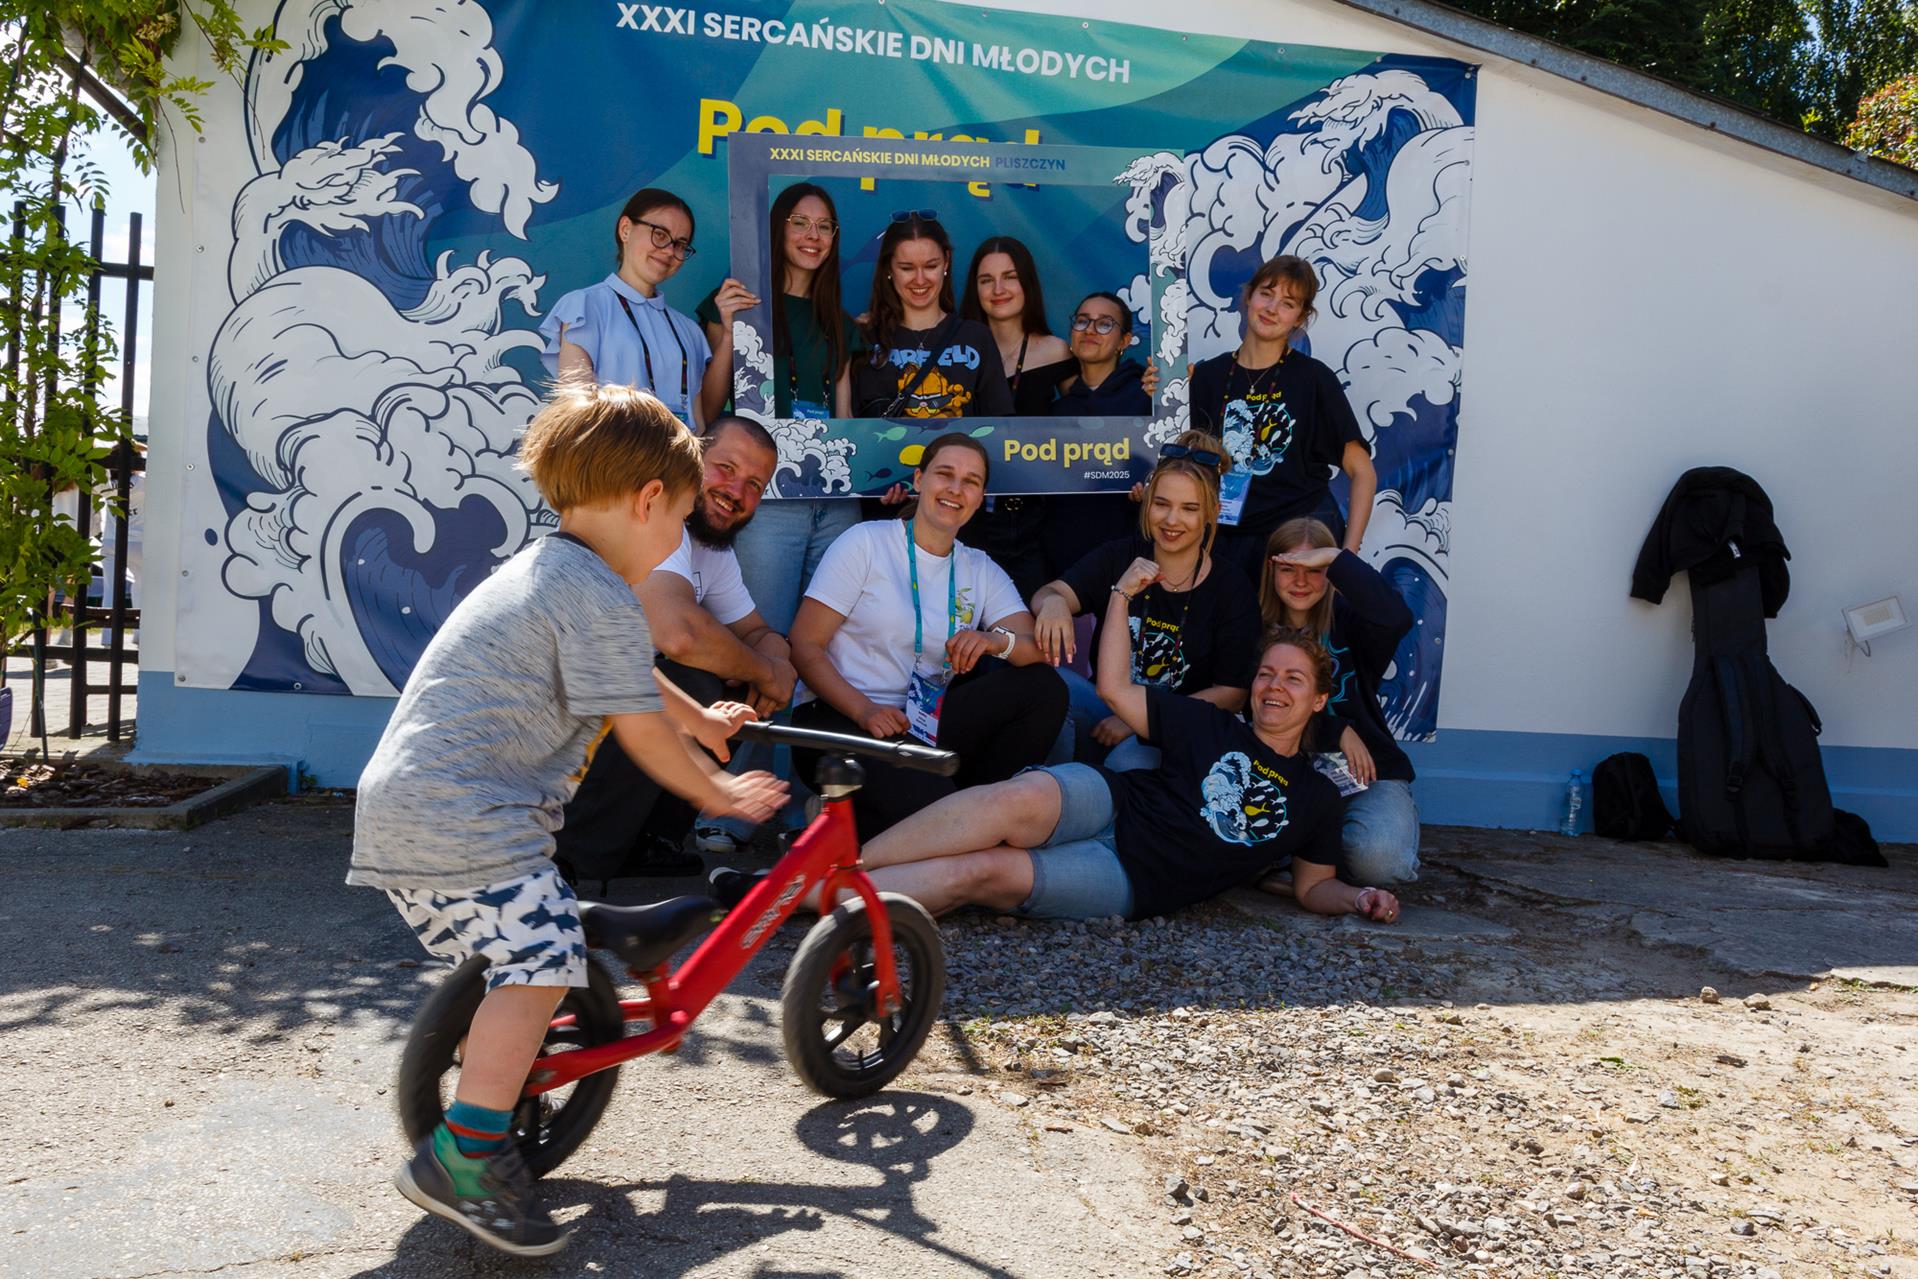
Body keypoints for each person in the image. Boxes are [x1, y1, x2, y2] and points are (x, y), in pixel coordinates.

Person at [349, 382, 785, 1256]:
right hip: (466, 813)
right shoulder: (595, 592)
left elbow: (634, 679)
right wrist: (716, 790)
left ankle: (493, 1081)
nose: (677, 537)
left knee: (526, 955)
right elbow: (638, 729)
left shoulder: (557, 573)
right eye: (681, 519)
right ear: (650, 500)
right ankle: (466, 1153)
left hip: (413, 807)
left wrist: (702, 720)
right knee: (543, 957)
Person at [843, 599, 1403, 925]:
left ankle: (823, 902)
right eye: (1266, 674)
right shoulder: (1208, 721)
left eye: (1293, 679)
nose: (1274, 686)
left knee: (983, 870)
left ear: (1319, 700)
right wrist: (1120, 596)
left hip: (1133, 877)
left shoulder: (1316, 797)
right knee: (1014, 798)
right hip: (1115, 803)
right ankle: (842, 866)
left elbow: (1312, 887)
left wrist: (1359, 898)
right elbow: (1112, 689)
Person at [553, 416, 797, 884]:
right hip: (549, 727)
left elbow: (754, 632)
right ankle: (570, 858)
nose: (735, 491)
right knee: (698, 679)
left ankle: (642, 842)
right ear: (690, 461)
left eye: (754, 485)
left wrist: (775, 659)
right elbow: (678, 636)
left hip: (604, 698)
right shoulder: (661, 523)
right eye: (726, 468)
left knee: (726, 688)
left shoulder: (713, 550)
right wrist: (768, 672)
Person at [788, 433, 1066, 839]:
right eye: (945, 474)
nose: (956, 489)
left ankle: (971, 807)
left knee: (1043, 688)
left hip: (920, 724)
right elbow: (804, 645)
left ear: (980, 497)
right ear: (919, 480)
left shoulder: (980, 568)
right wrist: (865, 710)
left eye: (970, 481)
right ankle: (930, 821)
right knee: (939, 816)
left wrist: (995, 642)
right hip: (840, 719)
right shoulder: (866, 542)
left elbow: (1036, 652)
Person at [1030, 430, 1257, 770]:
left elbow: (1232, 693)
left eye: (1189, 508)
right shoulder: (1121, 556)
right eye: (1162, 504)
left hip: (1174, 725)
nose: (1171, 520)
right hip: (1105, 704)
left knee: (1129, 763)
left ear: (1212, 512)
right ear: (1148, 503)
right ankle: (1047, 784)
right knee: (1044, 684)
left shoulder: (1231, 586)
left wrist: (1139, 716)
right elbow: (1049, 593)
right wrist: (1053, 603)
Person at [1188, 254, 1376, 579]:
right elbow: (1178, 464)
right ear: (1248, 297)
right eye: (1266, 293)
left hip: (1297, 538)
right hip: (1225, 538)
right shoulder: (1206, 377)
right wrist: (1161, 391)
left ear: (1300, 317)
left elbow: (1363, 472)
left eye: (1288, 303)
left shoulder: (1314, 379)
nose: (1272, 309)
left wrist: (1347, 558)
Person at [1260, 516, 1420, 885]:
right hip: (1285, 776)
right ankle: (1310, 870)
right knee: (1237, 839)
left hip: (1365, 774)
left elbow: (1396, 618)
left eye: (1314, 569)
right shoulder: (1250, 628)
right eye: (1288, 568)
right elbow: (1254, 714)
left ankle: (1303, 869)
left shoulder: (1354, 622)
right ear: (1270, 570)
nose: (1300, 581)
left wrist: (1337, 557)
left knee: (1380, 862)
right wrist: (1337, 730)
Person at [541, 188, 712, 428]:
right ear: (625, 229)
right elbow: (575, 410)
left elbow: (698, 424)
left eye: (680, 244)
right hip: (609, 451)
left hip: (680, 452)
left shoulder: (689, 330)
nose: (669, 251)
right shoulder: (585, 306)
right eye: (660, 235)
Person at [851, 213, 1013, 421]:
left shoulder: (977, 337)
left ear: (946, 262)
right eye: (907, 268)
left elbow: (1000, 427)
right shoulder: (863, 339)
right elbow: (847, 426)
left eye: (930, 266)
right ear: (889, 268)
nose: (920, 280)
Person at [1040, 291, 1156, 575]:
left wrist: (1153, 490)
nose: (1090, 330)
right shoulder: (1055, 413)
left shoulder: (1148, 396)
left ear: (1124, 341)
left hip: (1129, 560)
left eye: (1104, 324)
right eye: (1082, 321)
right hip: (1063, 566)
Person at [963, 235, 1074, 415]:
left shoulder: (1056, 351)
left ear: (1028, 283)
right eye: (986, 280)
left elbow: (1085, 422)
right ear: (975, 289)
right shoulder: (954, 354)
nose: (998, 290)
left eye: (1010, 277)